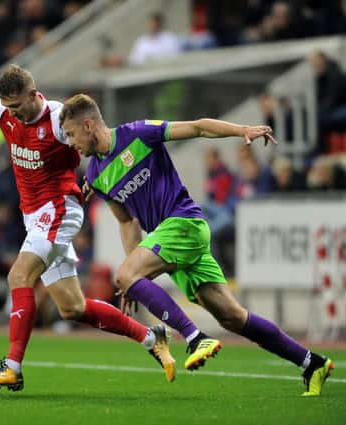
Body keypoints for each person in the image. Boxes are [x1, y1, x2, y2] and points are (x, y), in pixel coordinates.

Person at [0, 64, 176, 391]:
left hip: (59, 209)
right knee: (72, 308)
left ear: (34, 95)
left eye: (18, 106)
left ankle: (12, 367)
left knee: (18, 276)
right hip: (34, 217)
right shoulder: (2, 113)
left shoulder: (57, 120)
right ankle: (151, 337)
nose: (14, 114)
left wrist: (101, 178)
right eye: (8, 108)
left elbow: (95, 139)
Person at [59, 93, 334, 397]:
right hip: (170, 238)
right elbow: (126, 222)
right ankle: (311, 362)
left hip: (184, 223)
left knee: (124, 274)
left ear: (88, 124)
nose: (71, 143)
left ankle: (193, 337)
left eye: (71, 134)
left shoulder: (137, 133)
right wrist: (134, 276)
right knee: (232, 317)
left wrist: (241, 130)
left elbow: (198, 127)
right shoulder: (96, 174)